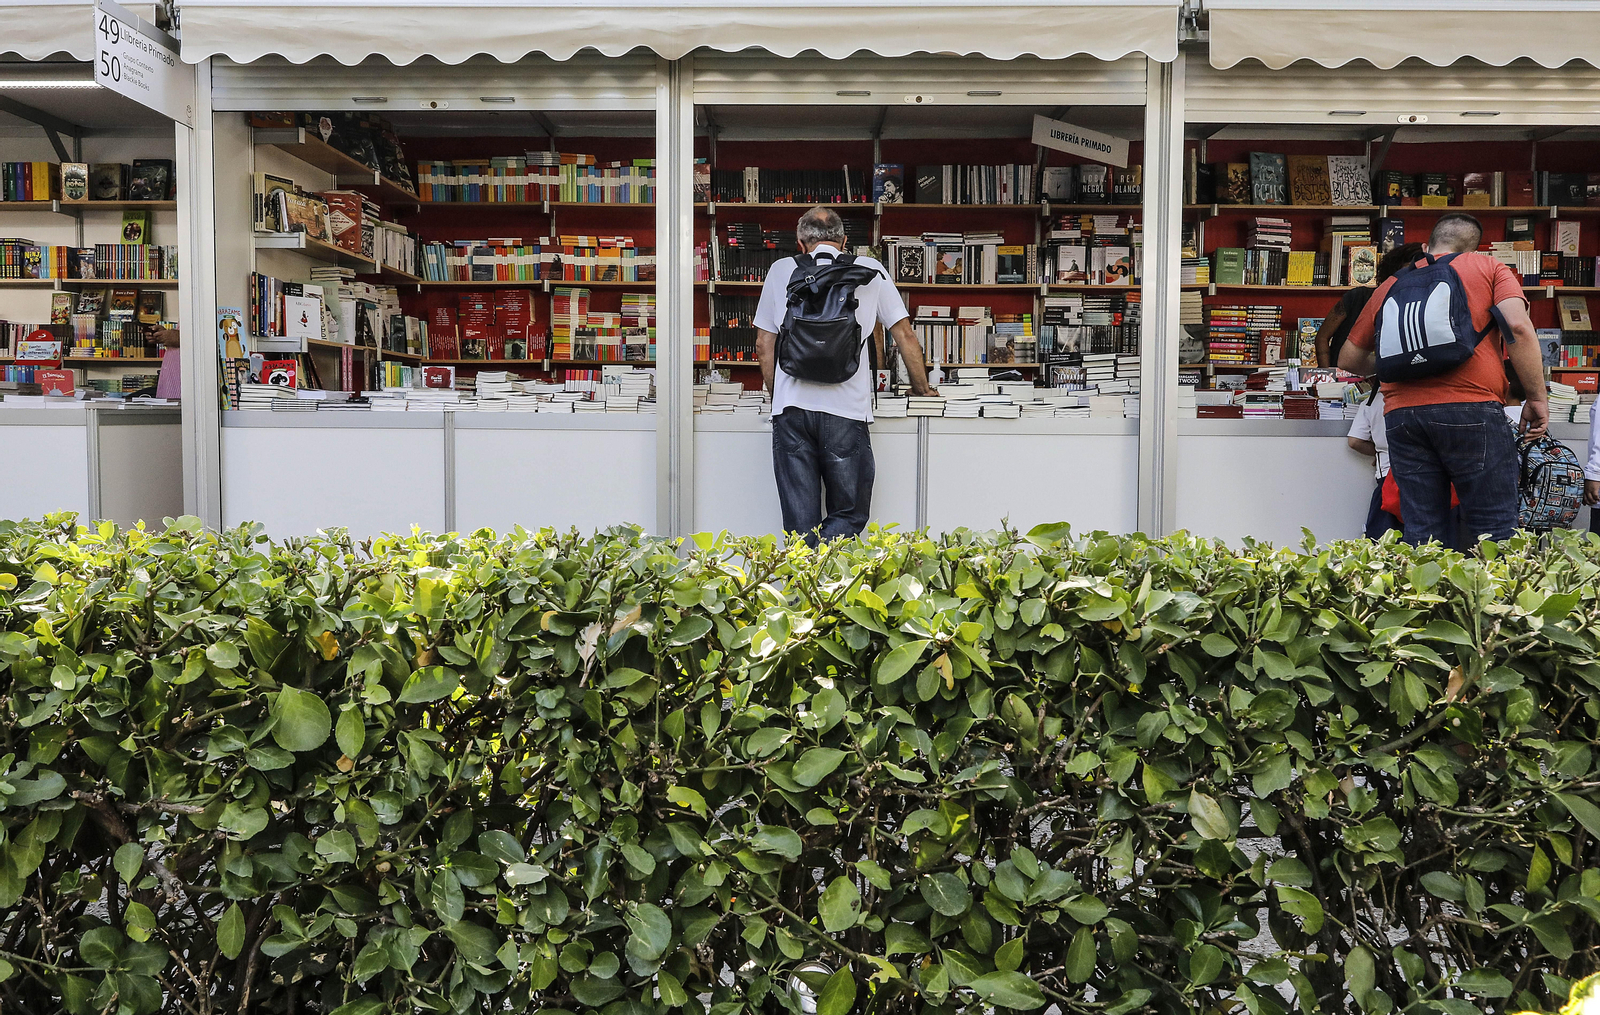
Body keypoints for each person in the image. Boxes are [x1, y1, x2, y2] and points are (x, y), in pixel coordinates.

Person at [1339, 213, 1548, 545]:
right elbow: (1518, 328)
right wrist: (1536, 396)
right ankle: (1492, 597)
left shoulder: (1392, 284)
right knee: (1494, 526)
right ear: (1473, 248)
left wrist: (1407, 361)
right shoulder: (1489, 268)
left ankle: (1426, 596)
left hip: (1402, 415)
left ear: (1426, 246)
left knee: (1423, 529)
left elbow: (1349, 359)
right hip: (1472, 408)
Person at [755, 206, 936, 544]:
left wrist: (776, 395)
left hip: (792, 410)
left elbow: (765, 343)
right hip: (846, 411)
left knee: (799, 521)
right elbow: (905, 334)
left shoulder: (781, 271)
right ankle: (828, 576)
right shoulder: (869, 269)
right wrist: (922, 388)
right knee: (849, 511)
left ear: (800, 242)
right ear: (843, 240)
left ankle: (805, 582)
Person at [1316, 242, 1425, 368]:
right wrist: (1327, 376)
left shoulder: (1418, 308)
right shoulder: (1358, 297)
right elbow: (1322, 337)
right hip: (1342, 378)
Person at [1347, 390, 1400, 538]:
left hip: (1387, 477)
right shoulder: (1426, 394)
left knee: (1384, 541)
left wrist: (1378, 452)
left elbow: (1355, 441)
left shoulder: (1372, 401)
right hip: (1428, 476)